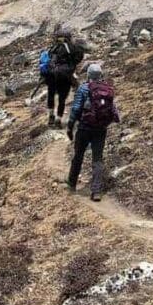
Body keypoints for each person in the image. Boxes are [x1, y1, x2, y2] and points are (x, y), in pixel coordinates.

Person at [66, 63, 120, 201]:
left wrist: (71, 125)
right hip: (101, 129)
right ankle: (96, 191)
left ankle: (71, 183)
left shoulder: (84, 88)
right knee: (97, 159)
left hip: (85, 128)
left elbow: (76, 108)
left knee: (78, 155)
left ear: (88, 75)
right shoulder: (107, 89)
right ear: (100, 75)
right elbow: (114, 110)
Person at [42, 29, 84, 129]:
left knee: (51, 95)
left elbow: (48, 59)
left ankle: (51, 116)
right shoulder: (73, 47)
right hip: (66, 75)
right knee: (62, 98)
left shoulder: (54, 47)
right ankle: (59, 118)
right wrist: (72, 64)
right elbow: (79, 57)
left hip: (52, 75)